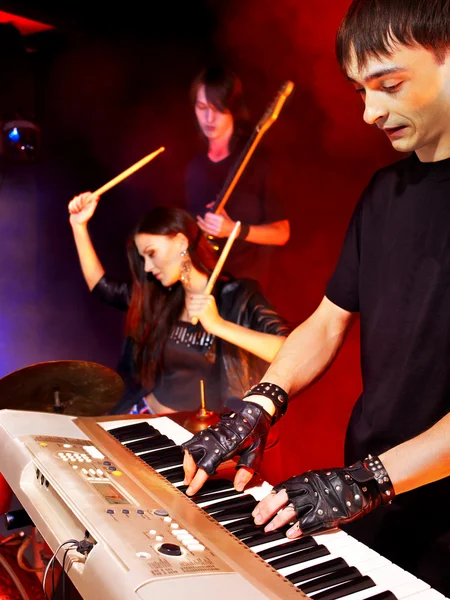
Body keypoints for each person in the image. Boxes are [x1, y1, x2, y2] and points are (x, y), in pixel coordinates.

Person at [181, 0, 450, 593]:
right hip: (375, 499)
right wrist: (262, 402)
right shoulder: (386, 192)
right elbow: (327, 323)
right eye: (359, 91)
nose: (369, 113)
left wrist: (366, 480)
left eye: (389, 84)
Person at [68, 193, 290, 417]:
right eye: (143, 258)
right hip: (144, 415)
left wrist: (219, 326)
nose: (147, 267)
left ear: (182, 242)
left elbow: (289, 350)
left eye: (151, 254)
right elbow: (104, 289)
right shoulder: (161, 298)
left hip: (199, 435)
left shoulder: (238, 295)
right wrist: (79, 226)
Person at [185, 65, 290, 291]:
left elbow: (282, 233)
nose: (208, 117)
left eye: (217, 108)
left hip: (246, 292)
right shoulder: (193, 166)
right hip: (202, 288)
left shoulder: (258, 160)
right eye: (202, 107)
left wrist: (233, 230)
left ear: (233, 108)